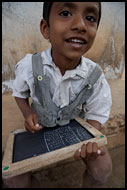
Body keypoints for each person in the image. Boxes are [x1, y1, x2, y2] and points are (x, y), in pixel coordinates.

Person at [3, 2, 112, 188]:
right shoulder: (30, 66)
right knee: (13, 178)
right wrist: (28, 114)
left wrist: (87, 140)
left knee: (103, 167)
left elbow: (97, 113)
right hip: (41, 129)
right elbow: (20, 93)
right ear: (46, 29)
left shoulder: (94, 75)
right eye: (65, 13)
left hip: (74, 130)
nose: (80, 25)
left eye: (90, 18)